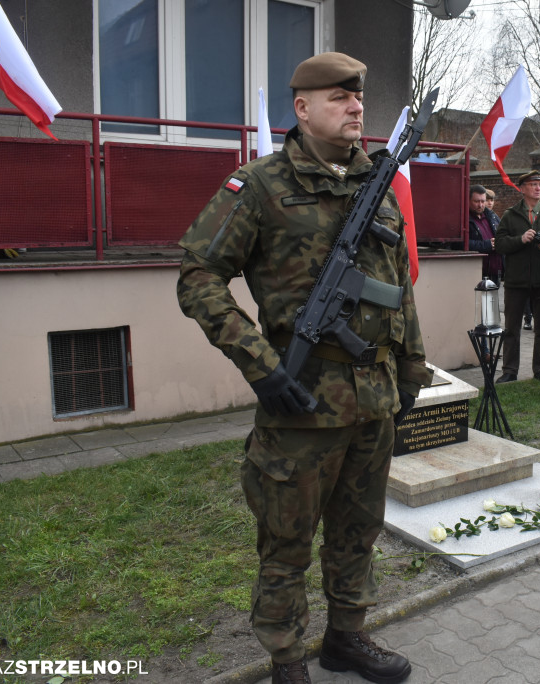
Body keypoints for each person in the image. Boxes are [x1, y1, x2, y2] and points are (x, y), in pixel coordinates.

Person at [176, 52, 429, 684]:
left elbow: (399, 289)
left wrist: (413, 371)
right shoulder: (261, 185)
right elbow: (198, 276)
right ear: (303, 108)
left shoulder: (379, 187)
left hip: (373, 398)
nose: (355, 107)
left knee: (357, 533)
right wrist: (259, 365)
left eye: (359, 98)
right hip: (300, 401)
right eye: (340, 97)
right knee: (285, 546)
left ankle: (347, 637)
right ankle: (287, 659)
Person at [494, 170, 540, 383]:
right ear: (522, 188)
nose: (538, 188)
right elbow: (499, 244)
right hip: (516, 281)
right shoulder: (510, 214)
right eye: (533, 184)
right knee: (511, 328)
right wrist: (520, 239)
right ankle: (510, 370)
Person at [468, 185, 503, 283]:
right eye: (476, 201)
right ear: (468, 200)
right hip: (475, 273)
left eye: (483, 201)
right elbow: (460, 244)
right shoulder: (463, 220)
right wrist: (486, 245)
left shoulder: (492, 217)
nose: (480, 205)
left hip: (495, 273)